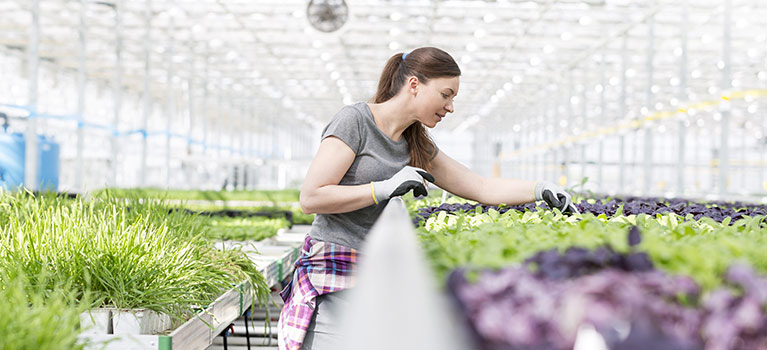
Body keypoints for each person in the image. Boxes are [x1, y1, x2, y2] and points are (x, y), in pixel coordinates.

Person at [277, 47, 575, 350]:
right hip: (332, 277)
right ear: (414, 85)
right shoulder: (355, 121)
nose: (450, 107)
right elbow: (311, 197)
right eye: (446, 94)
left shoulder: (415, 142)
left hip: (377, 275)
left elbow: (482, 187)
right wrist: (381, 188)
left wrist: (539, 189)